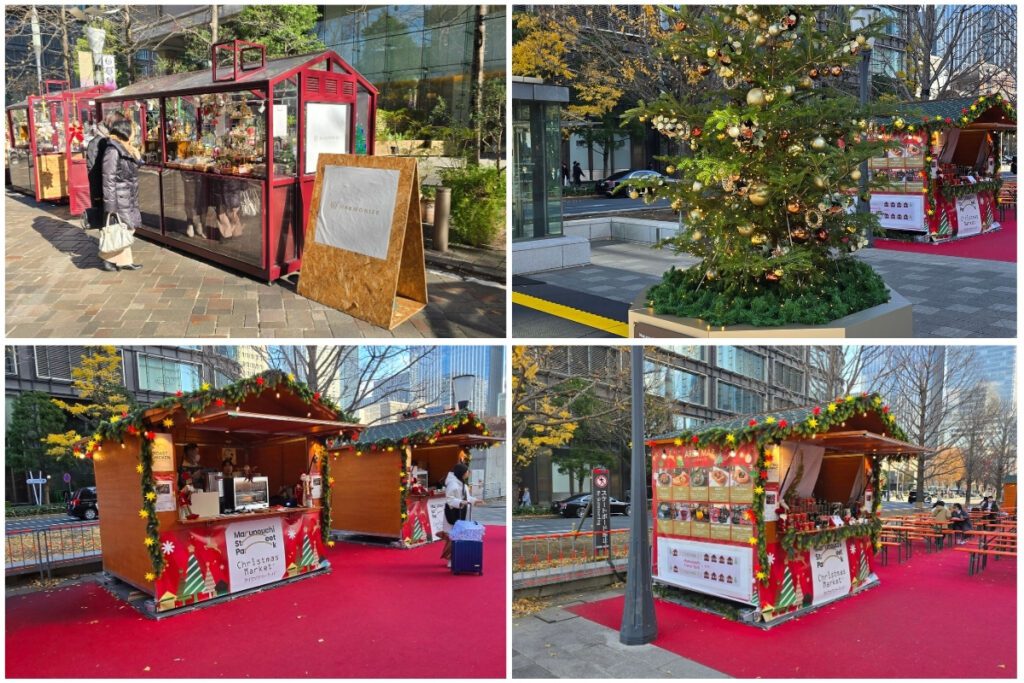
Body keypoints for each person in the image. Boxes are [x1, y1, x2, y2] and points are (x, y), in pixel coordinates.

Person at [99, 118, 144, 271]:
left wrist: (136, 154)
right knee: (124, 228)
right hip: (119, 197)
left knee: (126, 228)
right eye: (133, 130)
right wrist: (110, 205)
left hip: (128, 195)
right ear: (125, 131)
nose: (134, 133)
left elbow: (138, 164)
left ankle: (124, 260)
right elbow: (108, 179)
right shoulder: (112, 150)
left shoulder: (125, 147)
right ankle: (107, 257)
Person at [84, 111, 127, 229]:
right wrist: (98, 197)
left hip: (113, 193)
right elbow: (93, 172)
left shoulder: (111, 141)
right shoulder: (96, 143)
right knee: (107, 226)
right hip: (103, 194)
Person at [440, 463, 477, 568]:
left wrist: (475, 501)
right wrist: (460, 502)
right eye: (466, 471)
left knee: (458, 535)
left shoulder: (463, 484)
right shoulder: (453, 484)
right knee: (452, 536)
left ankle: (454, 557)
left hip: (461, 512)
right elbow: (449, 499)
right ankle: (450, 559)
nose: (468, 473)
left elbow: (467, 498)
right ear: (462, 473)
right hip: (452, 513)